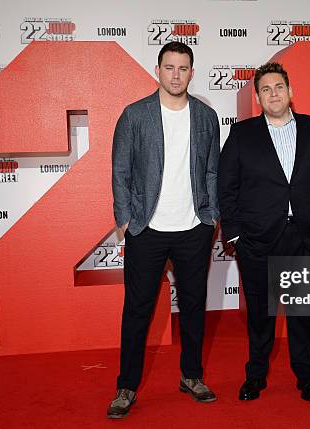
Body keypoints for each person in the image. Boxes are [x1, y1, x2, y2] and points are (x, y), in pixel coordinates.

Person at [108, 41, 220, 419]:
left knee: (192, 308)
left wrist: (211, 217)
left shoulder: (206, 117)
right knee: (137, 310)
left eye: (183, 68)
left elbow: (212, 171)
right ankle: (126, 385)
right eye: (169, 67)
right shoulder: (134, 115)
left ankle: (191, 376)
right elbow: (120, 170)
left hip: (193, 228)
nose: (176, 74)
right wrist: (125, 221)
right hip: (146, 228)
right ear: (157, 70)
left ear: (192, 72)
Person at [217, 62, 310, 403]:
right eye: (266, 89)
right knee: (260, 315)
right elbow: (226, 188)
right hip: (257, 240)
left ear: (291, 92)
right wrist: (236, 234)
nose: (274, 94)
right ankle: (255, 376)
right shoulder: (242, 135)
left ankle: (307, 378)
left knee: (303, 313)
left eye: (279, 87)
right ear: (258, 98)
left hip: (304, 237)